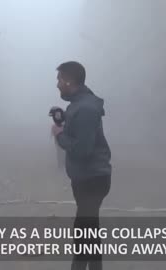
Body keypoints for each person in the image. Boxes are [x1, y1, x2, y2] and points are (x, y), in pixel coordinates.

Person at [50, 61, 112, 270]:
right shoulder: (79, 105)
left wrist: (60, 136)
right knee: (87, 232)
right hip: (87, 179)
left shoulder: (85, 108)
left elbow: (83, 149)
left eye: (59, 79)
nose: (57, 84)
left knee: (84, 233)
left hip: (92, 179)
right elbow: (80, 130)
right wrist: (64, 118)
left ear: (69, 80)